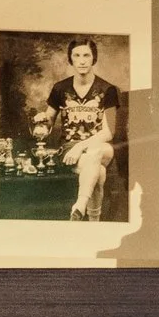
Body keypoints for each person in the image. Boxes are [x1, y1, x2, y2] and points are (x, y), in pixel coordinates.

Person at [43, 37, 121, 222]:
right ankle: (92, 220)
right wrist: (41, 120)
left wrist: (81, 147)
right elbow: (48, 123)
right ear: (70, 59)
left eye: (87, 55)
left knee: (95, 152)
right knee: (98, 173)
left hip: (101, 147)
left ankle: (79, 205)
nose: (82, 60)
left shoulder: (107, 89)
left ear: (94, 58)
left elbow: (108, 132)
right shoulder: (60, 88)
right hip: (70, 148)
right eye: (76, 55)